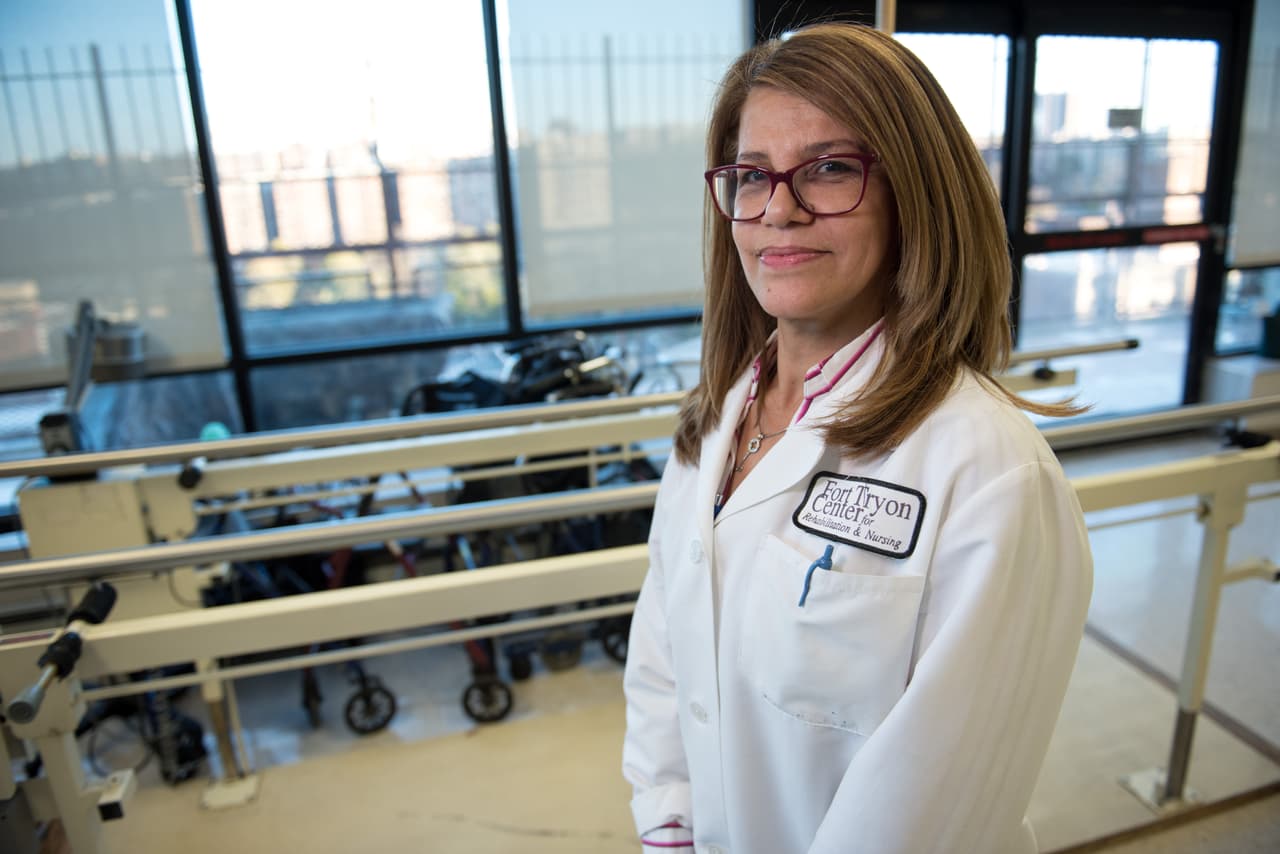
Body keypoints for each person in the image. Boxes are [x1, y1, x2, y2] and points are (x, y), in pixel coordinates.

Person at [621, 22, 1093, 854]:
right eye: (752, 176)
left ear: (917, 191)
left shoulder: (986, 470)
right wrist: (670, 822)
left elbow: (935, 798)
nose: (780, 210)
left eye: (831, 169)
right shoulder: (717, 420)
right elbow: (665, 648)